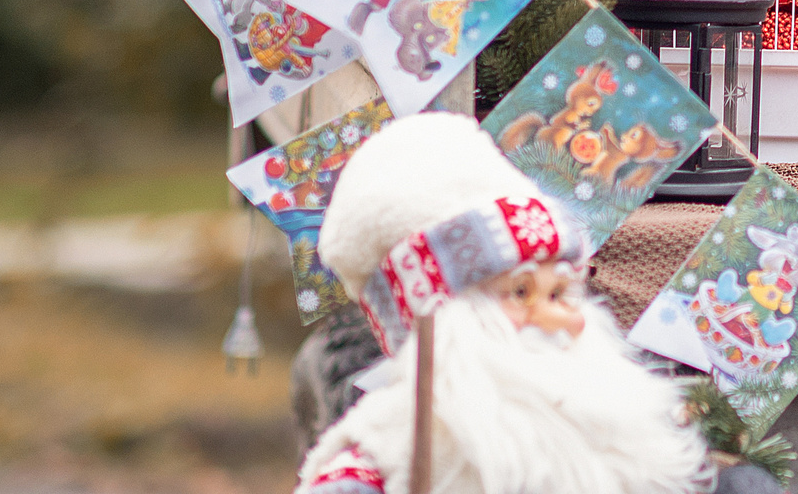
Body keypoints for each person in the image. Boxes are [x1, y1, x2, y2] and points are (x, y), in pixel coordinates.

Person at [293, 112, 716, 494]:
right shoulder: (377, 467)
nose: (555, 319)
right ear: (438, 318)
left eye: (558, 294)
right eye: (520, 293)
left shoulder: (621, 454)